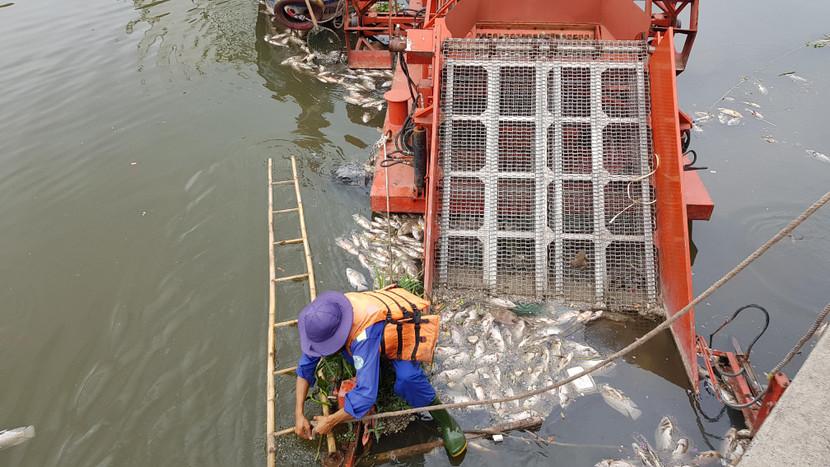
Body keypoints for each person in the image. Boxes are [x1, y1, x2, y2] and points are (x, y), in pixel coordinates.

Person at [293, 288, 467, 458]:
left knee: (409, 379)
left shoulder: (362, 336)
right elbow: (306, 366)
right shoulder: (328, 316)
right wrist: (298, 413)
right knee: (358, 359)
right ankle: (376, 358)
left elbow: (366, 395)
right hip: (375, 328)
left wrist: (331, 421)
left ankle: (447, 422)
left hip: (399, 327)